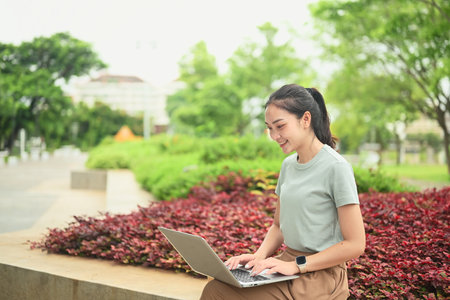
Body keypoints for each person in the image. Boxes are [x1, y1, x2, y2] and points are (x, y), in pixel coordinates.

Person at [200, 84, 365, 299]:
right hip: (286, 265)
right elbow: (278, 226)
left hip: (320, 275)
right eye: (269, 128)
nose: (274, 135)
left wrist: (297, 266)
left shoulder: (336, 167)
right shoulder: (288, 165)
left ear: (305, 119)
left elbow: (355, 244)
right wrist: (257, 257)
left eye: (280, 126)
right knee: (216, 289)